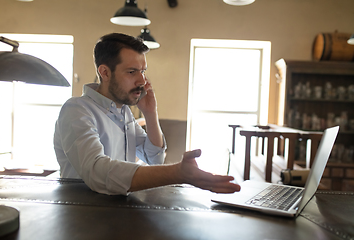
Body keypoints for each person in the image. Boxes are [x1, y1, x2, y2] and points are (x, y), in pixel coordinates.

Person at [54, 33, 240, 195]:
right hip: (80, 215)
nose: (142, 80)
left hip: (115, 212)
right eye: (132, 71)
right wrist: (177, 173)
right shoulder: (77, 110)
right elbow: (97, 173)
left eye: (143, 71)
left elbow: (154, 158)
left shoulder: (123, 111)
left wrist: (151, 113)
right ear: (105, 72)